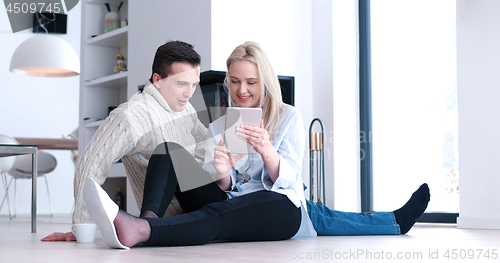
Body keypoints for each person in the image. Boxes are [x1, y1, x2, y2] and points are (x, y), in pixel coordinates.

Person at [81, 41, 316, 249]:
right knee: (168, 151)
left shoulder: (289, 117)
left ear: (265, 82)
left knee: (220, 214)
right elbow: (226, 188)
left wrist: (267, 151)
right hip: (230, 202)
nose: (241, 90)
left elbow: (291, 181)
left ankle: (142, 230)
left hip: (278, 207)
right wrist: (222, 171)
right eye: (234, 81)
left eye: (251, 82)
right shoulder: (219, 127)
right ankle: (147, 221)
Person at [42, 40, 207, 241]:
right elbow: (91, 163)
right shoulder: (132, 115)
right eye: (181, 84)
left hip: (204, 207)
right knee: (169, 153)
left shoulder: (186, 109)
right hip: (169, 219)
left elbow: (206, 146)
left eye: (194, 85)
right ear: (157, 80)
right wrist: (83, 227)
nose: (189, 93)